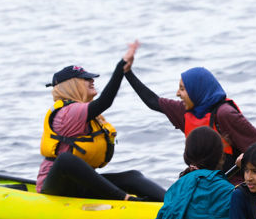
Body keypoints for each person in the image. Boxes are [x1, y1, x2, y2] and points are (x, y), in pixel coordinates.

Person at [36, 42, 166, 202]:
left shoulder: (82, 111)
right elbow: (105, 101)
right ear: (71, 85)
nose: (92, 80)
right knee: (65, 159)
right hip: (57, 189)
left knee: (132, 177)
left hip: (79, 185)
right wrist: (121, 68)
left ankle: (173, 203)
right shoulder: (67, 113)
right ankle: (125, 199)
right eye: (85, 79)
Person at [124, 51, 256, 184]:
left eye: (182, 89)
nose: (177, 93)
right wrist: (127, 73)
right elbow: (153, 101)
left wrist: (244, 161)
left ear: (197, 90)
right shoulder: (185, 111)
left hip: (234, 186)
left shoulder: (224, 114)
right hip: (205, 184)